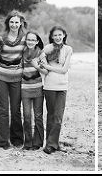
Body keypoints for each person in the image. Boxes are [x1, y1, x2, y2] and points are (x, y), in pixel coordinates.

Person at [0, 11, 27, 150]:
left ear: (21, 23)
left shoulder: (26, 39)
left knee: (15, 109)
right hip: (0, 76)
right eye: (11, 22)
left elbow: (34, 53)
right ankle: (2, 141)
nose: (14, 24)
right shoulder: (0, 38)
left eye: (16, 22)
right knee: (3, 109)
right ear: (8, 23)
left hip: (17, 78)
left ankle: (17, 139)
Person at [39, 26, 73, 154]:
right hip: (49, 86)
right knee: (51, 115)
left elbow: (64, 69)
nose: (58, 37)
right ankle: (51, 144)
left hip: (62, 86)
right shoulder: (47, 48)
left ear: (64, 35)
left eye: (60, 35)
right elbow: (42, 65)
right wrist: (44, 65)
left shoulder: (68, 49)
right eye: (55, 35)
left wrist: (48, 66)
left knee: (58, 117)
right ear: (52, 37)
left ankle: (52, 144)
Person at [21, 31, 47, 151]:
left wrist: (37, 66)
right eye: (28, 39)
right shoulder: (22, 52)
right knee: (26, 116)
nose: (30, 42)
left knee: (38, 116)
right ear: (25, 40)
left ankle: (38, 143)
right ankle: (28, 142)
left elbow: (46, 71)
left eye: (33, 40)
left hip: (37, 88)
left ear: (37, 41)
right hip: (24, 88)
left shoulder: (41, 53)